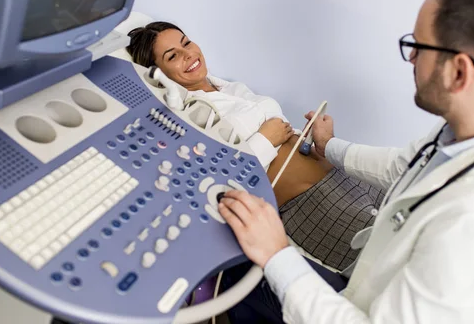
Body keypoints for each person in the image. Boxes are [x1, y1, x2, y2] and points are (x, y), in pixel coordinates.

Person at [216, 0, 474, 323]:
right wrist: (330, 148)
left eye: (420, 46)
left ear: (460, 71)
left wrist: (277, 253)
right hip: (368, 289)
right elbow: (407, 163)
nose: (411, 56)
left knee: (244, 268)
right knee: (241, 272)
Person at [126, 22, 385, 272]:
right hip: (312, 205)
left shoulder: (231, 88)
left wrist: (321, 142)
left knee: (418, 226)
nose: (188, 54)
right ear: (158, 74)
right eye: (173, 56)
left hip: (346, 174)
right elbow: (216, 181)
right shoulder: (187, 117)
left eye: (187, 43)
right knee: (389, 263)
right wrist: (265, 140)